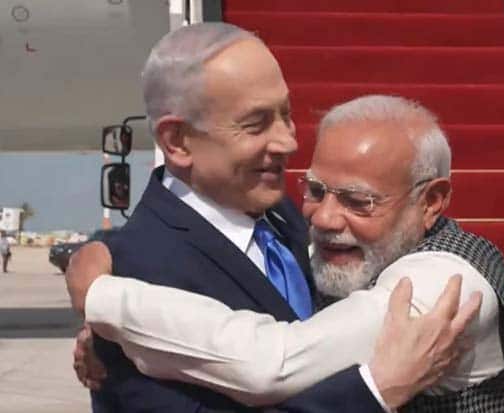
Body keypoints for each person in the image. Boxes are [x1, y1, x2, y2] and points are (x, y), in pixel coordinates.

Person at [67, 23, 479, 413]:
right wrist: (376, 391)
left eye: (286, 114)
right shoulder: (135, 272)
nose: (288, 141)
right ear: (177, 141)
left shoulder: (282, 213)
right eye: (256, 124)